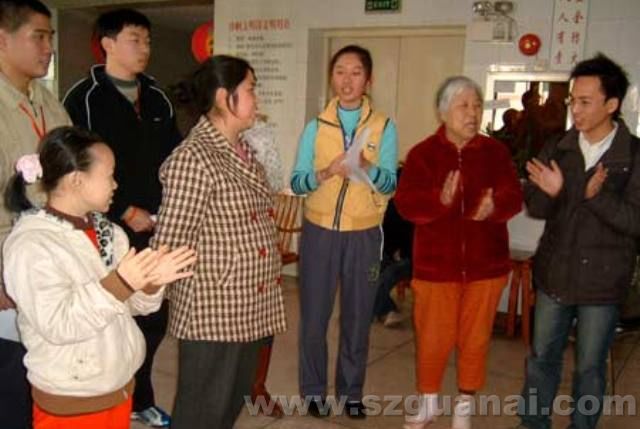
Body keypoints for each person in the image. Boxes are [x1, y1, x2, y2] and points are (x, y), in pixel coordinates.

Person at [2, 126, 196, 429]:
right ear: (77, 180)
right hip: (70, 401)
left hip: (117, 387)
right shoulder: (32, 243)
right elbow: (59, 323)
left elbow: (132, 306)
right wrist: (122, 282)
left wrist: (151, 282)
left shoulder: (110, 233)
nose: (116, 184)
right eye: (109, 175)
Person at [152, 55, 287, 429]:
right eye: (251, 89)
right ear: (225, 97)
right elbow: (170, 242)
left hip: (248, 304)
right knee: (201, 412)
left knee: (228, 405)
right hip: (213, 309)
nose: (257, 98)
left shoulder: (243, 148)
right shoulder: (194, 157)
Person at [62, 8, 182, 427]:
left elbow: (174, 158)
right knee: (111, 314)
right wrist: (123, 209)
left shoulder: (157, 96)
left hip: (156, 225)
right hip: (105, 227)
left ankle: (139, 397)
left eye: (147, 40)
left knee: (154, 316)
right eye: (135, 39)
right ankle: (111, 400)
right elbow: (74, 168)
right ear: (108, 44)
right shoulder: (84, 98)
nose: (144, 48)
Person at [513, 54, 639, 429]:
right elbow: (535, 206)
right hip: (555, 274)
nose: (575, 109)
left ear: (611, 105)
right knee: (541, 359)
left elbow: (635, 221)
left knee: (589, 367)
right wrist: (554, 194)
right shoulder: (559, 146)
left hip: (603, 281)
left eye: (585, 101)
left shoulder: (633, 155)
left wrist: (594, 198)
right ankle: (532, 423)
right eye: (573, 100)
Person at [395, 75, 522, 429]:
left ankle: (464, 408)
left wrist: (495, 206)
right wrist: (440, 200)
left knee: (475, 341)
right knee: (432, 340)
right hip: (436, 268)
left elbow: (514, 196)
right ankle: (429, 402)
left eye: (477, 106)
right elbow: (406, 204)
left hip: (486, 267)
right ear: (443, 111)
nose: (473, 113)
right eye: (464, 105)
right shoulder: (422, 154)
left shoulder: (495, 152)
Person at [290, 44, 398, 418]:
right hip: (319, 232)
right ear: (331, 77)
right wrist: (325, 172)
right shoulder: (316, 127)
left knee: (357, 318)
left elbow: (390, 184)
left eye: (355, 73)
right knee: (313, 319)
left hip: (364, 235)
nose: (347, 80)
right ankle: (313, 393)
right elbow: (297, 182)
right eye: (340, 72)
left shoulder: (383, 126)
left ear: (369, 80)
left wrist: (366, 166)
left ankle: (351, 393)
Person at [0, 1, 72, 427]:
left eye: (51, 38)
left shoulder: (46, 101)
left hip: (53, 259)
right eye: (38, 37)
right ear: (2, 39)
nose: (48, 48)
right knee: (12, 383)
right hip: (11, 263)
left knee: (44, 378)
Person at [242, 115, 286, 418]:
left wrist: (259, 147)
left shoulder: (261, 133)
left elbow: (276, 180)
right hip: (226, 241)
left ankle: (257, 386)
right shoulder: (206, 132)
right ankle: (233, 385)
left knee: (265, 317)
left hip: (261, 235)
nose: (254, 100)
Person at [371, 166, 413, 328]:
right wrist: (387, 254)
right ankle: (387, 310)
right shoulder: (392, 205)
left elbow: (415, 240)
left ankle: (370, 312)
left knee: (388, 275)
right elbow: (386, 235)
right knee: (370, 271)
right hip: (391, 253)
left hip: (411, 259)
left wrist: (401, 253)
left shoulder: (416, 207)